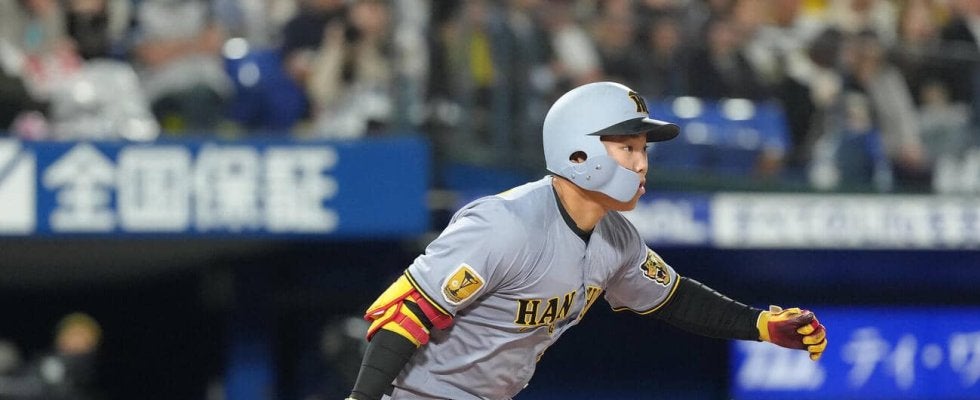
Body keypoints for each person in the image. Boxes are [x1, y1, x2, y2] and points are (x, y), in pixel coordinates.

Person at [346, 81, 828, 400]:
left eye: (643, 149)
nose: (641, 163)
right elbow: (405, 313)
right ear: (578, 153)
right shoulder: (504, 223)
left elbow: (674, 297)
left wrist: (760, 325)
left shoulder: (617, 239)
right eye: (627, 148)